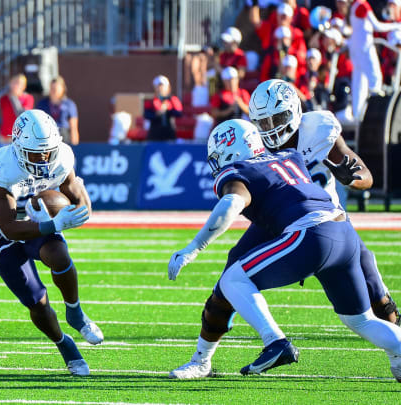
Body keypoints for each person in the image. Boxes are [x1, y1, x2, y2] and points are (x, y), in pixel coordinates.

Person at [168, 79, 400, 379]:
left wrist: (349, 178)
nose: (271, 128)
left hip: (313, 222)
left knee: (376, 294)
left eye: (277, 118)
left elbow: (363, 174)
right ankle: (202, 358)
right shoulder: (265, 148)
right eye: (262, 122)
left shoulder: (316, 129)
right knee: (229, 279)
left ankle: (277, 342)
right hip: (300, 222)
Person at [0, 109, 101, 376]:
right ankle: (63, 343)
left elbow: (80, 198)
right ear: (19, 147)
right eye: (37, 151)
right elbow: (10, 228)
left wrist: (78, 213)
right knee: (37, 301)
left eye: (49, 150)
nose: (45, 157)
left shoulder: (63, 157)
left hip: (38, 220)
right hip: (2, 234)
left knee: (59, 254)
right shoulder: (1, 168)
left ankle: (75, 312)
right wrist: (55, 224)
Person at [348, 0, 401, 118]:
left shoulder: (355, 5)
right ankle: (374, 113)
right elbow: (377, 26)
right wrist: (396, 26)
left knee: (359, 83)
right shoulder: (362, 5)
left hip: (356, 48)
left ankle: (358, 116)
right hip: (364, 47)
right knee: (375, 79)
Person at [35, 77, 80, 145]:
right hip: (47, 136)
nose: (53, 90)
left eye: (56, 88)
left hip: (64, 136)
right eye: (52, 88)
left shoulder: (69, 104)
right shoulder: (42, 103)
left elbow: (73, 126)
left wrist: (75, 142)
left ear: (62, 89)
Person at [143, 75, 183, 142]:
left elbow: (179, 113)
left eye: (163, 86)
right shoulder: (150, 101)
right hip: (154, 134)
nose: (160, 88)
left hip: (169, 132)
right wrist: (157, 114)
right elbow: (146, 115)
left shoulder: (173, 99)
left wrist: (168, 109)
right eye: (158, 86)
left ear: (167, 87)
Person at [0, 74, 34, 142]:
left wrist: (14, 98)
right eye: (14, 82)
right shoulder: (4, 99)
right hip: (5, 135)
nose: (16, 85)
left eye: (18, 83)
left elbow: (22, 115)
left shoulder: (28, 98)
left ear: (24, 86)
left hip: (20, 136)